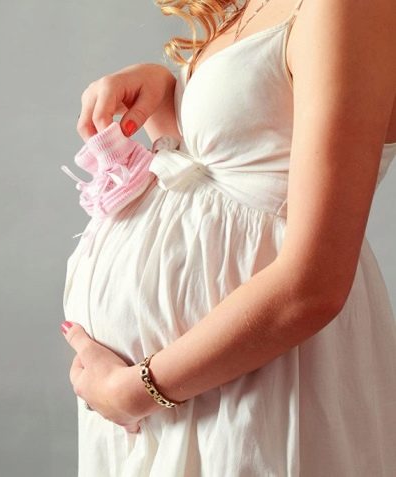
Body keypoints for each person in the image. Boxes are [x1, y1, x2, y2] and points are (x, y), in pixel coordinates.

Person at [60, 0, 396, 475]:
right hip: (181, 398)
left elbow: (314, 285)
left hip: (253, 387)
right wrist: (166, 101)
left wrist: (136, 391)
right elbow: (228, 183)